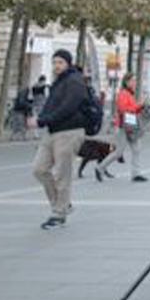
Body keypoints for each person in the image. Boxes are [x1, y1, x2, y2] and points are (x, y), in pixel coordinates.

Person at [30, 51, 96, 230]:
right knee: (39, 169)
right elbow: (51, 105)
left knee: (62, 175)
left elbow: (68, 107)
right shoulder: (58, 81)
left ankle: (58, 215)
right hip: (52, 132)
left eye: (60, 62)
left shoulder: (75, 80)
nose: (56, 66)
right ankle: (63, 205)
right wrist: (41, 119)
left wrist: (43, 120)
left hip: (70, 131)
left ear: (68, 63)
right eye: (54, 62)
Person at [112, 79, 147, 183]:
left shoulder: (130, 94)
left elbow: (134, 109)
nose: (134, 83)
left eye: (135, 81)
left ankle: (136, 174)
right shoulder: (123, 94)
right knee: (119, 152)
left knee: (136, 149)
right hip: (123, 125)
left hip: (130, 124)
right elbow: (123, 109)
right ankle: (100, 168)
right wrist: (138, 105)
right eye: (132, 81)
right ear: (126, 82)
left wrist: (141, 106)